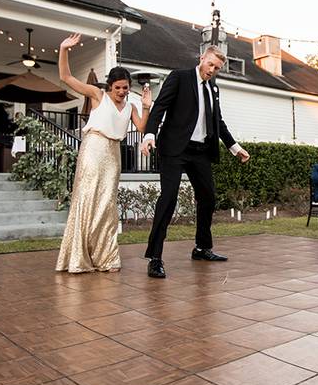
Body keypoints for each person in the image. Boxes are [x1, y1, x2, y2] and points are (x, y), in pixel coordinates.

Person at [141, 46, 250, 279]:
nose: (212, 70)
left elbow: (217, 121)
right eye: (210, 64)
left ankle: (201, 248)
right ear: (202, 59)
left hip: (200, 151)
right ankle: (155, 257)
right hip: (175, 149)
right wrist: (149, 134)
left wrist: (235, 147)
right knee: (168, 199)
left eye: (217, 68)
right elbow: (159, 107)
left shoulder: (213, 88)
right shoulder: (179, 77)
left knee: (208, 197)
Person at [56, 35, 151, 274]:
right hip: (93, 148)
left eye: (125, 88)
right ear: (110, 86)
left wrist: (147, 106)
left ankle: (105, 257)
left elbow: (141, 128)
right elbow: (66, 77)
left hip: (113, 155)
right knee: (87, 199)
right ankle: (78, 257)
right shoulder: (97, 96)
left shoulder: (130, 107)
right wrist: (63, 50)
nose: (121, 92)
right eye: (117, 88)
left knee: (107, 204)